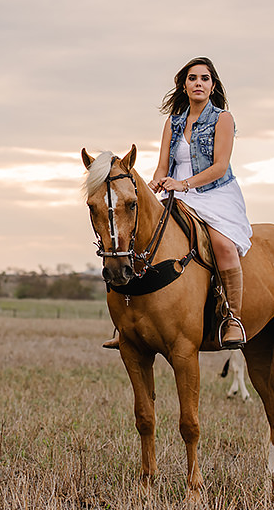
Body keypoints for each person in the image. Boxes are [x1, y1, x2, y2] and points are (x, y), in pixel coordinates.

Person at [104, 56, 252, 350]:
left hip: (215, 193)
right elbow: (162, 166)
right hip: (176, 191)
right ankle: (127, 321)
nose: (199, 83)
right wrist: (155, 183)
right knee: (140, 237)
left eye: (205, 79)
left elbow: (220, 166)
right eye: (193, 78)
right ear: (184, 86)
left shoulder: (223, 118)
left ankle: (232, 318)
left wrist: (183, 184)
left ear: (212, 86)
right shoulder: (173, 122)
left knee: (222, 245)